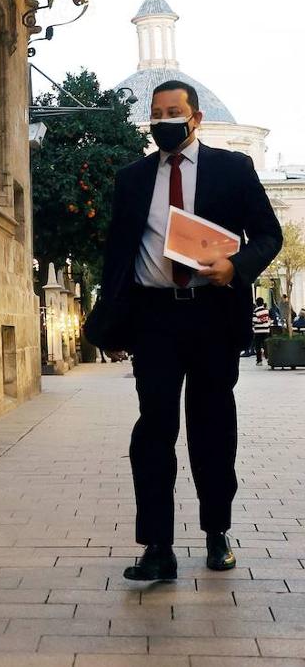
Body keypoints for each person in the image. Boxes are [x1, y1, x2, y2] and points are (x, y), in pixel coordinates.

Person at [84, 80, 282, 581]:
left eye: (173, 111)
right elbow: (117, 255)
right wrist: (112, 318)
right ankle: (157, 546)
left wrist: (236, 267)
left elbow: (267, 234)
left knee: (212, 427)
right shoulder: (133, 178)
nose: (164, 120)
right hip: (155, 318)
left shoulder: (231, 168)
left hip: (213, 313)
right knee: (154, 428)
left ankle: (217, 532)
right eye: (157, 112)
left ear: (194, 118)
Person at [252, 297, 271, 365]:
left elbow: (254, 321)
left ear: (257, 303)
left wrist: (258, 322)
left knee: (258, 346)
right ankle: (269, 359)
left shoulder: (255, 311)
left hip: (258, 331)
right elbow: (268, 320)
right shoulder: (266, 310)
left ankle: (259, 361)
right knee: (266, 345)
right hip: (266, 330)